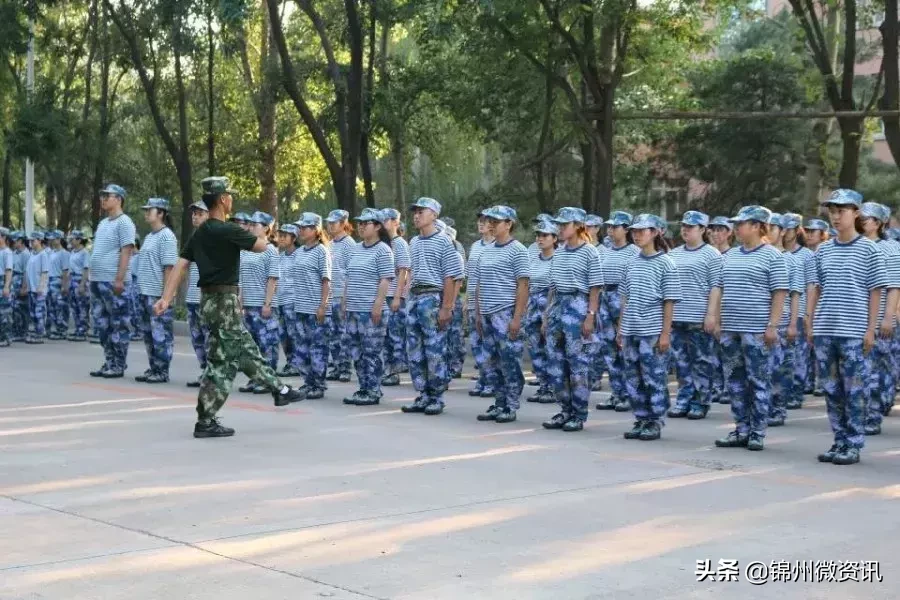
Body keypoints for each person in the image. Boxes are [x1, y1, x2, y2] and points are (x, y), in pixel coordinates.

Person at [154, 177, 304, 438]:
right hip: (225, 302)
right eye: (230, 195)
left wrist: (166, 298)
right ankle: (206, 420)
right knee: (224, 362)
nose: (232, 199)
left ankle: (279, 390)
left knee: (241, 349)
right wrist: (262, 234)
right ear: (223, 199)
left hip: (209, 302)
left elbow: (181, 265)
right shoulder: (227, 230)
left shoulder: (200, 233)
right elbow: (260, 246)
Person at [808, 190, 887, 465]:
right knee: (832, 390)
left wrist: (871, 329)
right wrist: (810, 322)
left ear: (856, 213)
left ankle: (853, 444)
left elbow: (876, 291)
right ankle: (839, 440)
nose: (836, 216)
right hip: (825, 329)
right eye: (832, 211)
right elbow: (816, 288)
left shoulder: (869, 249)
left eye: (841, 211)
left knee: (855, 390)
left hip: (854, 332)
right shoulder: (823, 250)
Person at [713, 205, 788, 452]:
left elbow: (779, 293)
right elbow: (719, 288)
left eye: (741, 224)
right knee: (735, 382)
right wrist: (716, 319)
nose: (736, 228)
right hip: (731, 329)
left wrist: (772, 325)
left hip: (756, 330)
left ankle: (757, 431)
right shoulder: (730, 256)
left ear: (757, 226)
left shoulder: (773, 256)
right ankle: (741, 428)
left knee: (758, 381)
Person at [618, 214, 681, 440]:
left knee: (654, 377)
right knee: (633, 378)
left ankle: (655, 420)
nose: (636, 235)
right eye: (634, 231)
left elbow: (669, 302)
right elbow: (624, 298)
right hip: (631, 329)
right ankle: (641, 418)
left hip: (652, 331)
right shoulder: (630, 262)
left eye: (642, 231)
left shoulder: (666, 263)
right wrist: (621, 329)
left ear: (655, 233)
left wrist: (665, 334)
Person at [542, 207, 603, 432]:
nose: (560, 228)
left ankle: (578, 413)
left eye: (564, 225)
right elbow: (553, 287)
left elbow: (595, 288)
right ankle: (564, 409)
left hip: (578, 307)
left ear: (578, 226)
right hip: (558, 307)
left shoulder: (589, 252)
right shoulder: (559, 252)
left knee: (577, 365)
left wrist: (590, 316)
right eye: (558, 225)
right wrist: (546, 316)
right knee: (556, 364)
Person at [401, 197, 464, 416]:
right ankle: (422, 394)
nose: (416, 216)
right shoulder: (414, 242)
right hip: (415, 298)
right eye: (415, 212)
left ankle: (436, 396)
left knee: (434, 349)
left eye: (421, 211)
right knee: (414, 349)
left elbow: (451, 276)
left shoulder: (444, 241)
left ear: (434, 215)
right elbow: (412, 273)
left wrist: (447, 307)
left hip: (432, 297)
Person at [474, 206, 529, 423]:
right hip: (487, 313)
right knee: (490, 361)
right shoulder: (486, 250)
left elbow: (523, 286)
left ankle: (511, 405)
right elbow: (479, 283)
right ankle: (499, 402)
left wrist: (517, 318)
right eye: (490, 221)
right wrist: (478, 313)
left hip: (505, 312)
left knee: (509, 362)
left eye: (496, 222)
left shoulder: (518, 250)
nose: (491, 225)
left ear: (509, 224)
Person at [667, 211, 722, 420]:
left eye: (690, 227)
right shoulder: (674, 254)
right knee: (681, 362)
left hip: (699, 317)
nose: (685, 230)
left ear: (702, 229)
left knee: (701, 362)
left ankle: (700, 401)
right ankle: (683, 400)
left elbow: (716, 287)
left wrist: (711, 315)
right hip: (677, 316)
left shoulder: (712, 254)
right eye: (684, 226)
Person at [342, 208, 395, 406]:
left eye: (366, 223)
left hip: (371, 310)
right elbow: (349, 277)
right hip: (353, 309)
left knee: (371, 352)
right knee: (356, 351)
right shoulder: (356, 248)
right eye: (360, 223)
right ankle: (363, 388)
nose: (361, 226)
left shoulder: (383, 250)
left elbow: (385, 279)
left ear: (378, 226)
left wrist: (378, 305)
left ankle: (373, 390)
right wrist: (345, 301)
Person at [857, 202, 900, 435]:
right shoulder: (855, 245)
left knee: (876, 370)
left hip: (881, 318)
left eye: (866, 218)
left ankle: (873, 415)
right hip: (856, 318)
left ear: (879, 223)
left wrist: (888, 318)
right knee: (858, 371)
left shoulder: (890, 248)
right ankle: (859, 414)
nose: (861, 221)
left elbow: (894, 287)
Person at [89, 184, 136, 378]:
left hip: (113, 282)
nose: (103, 199)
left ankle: (118, 364)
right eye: (103, 196)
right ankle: (109, 361)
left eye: (107, 196)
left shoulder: (125, 222)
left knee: (118, 323)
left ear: (118, 199)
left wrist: (119, 279)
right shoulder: (103, 223)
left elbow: (126, 251)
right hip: (97, 280)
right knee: (102, 324)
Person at [596, 211, 638, 411]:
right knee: (609, 349)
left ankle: (630, 394)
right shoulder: (605, 251)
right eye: (609, 227)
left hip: (623, 299)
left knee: (625, 349)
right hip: (605, 298)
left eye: (615, 227)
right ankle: (617, 393)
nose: (610, 230)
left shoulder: (634, 252)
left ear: (626, 229)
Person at [134, 198, 179, 384]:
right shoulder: (149, 236)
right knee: (148, 334)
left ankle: (162, 370)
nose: (146, 213)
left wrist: (166, 297)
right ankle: (153, 367)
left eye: (149, 210)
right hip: (145, 292)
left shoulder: (167, 236)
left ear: (160, 213)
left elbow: (170, 268)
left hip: (157, 294)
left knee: (161, 334)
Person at [238, 211, 281, 394]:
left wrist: (267, 303)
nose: (250, 227)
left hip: (263, 305)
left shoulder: (270, 250)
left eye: (254, 225)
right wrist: (240, 300)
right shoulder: (245, 249)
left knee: (267, 344)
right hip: (248, 305)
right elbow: (241, 278)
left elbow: (273, 278)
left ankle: (267, 380)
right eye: (250, 224)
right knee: (252, 346)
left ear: (266, 228)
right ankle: (255, 378)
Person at [766, 214, 803, 428]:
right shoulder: (762, 255)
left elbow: (795, 294)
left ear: (782, 231)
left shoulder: (790, 259)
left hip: (782, 321)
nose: (768, 231)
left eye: (773, 228)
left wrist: (792, 324)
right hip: (759, 321)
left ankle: (777, 409)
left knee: (779, 368)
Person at [293, 212, 333, 399]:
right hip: (300, 308)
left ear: (316, 230)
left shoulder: (321, 251)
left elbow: (326, 281)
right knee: (302, 349)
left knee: (318, 349)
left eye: (305, 227)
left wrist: (323, 306)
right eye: (300, 227)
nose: (301, 230)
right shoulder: (299, 252)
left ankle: (318, 384)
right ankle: (308, 382)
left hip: (315, 309)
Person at [780, 214, 815, 410]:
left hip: (799, 311)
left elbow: (811, 285)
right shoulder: (776, 254)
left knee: (798, 355)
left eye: (789, 229)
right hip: (780, 312)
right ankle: (782, 392)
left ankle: (796, 392)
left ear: (796, 230)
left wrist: (809, 313)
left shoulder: (807, 255)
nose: (785, 233)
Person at [524, 219, 557, 404]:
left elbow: (555, 288)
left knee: (551, 349)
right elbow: (527, 284)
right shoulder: (534, 259)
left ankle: (553, 388)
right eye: (538, 235)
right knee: (535, 349)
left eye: (545, 235)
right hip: (533, 306)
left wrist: (547, 314)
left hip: (550, 307)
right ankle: (543, 385)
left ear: (554, 238)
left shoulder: (559, 259)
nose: (540, 239)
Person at [380, 208, 411, 387]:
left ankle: (396, 372)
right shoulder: (384, 243)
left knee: (396, 336)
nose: (383, 223)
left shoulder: (399, 243)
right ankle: (388, 370)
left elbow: (403, 271)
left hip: (394, 296)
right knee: (386, 336)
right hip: (384, 296)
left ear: (395, 222)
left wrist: (398, 296)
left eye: (386, 220)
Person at [466, 213, 496, 398]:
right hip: (473, 301)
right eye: (479, 221)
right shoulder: (476, 246)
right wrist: (467, 301)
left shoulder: (498, 246)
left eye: (485, 221)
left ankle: (492, 381)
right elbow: (471, 275)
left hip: (489, 301)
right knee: (476, 343)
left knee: (490, 344)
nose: (481, 224)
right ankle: (483, 378)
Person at [325, 210, 355, 383]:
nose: (330, 226)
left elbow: (351, 273)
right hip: (330, 296)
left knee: (344, 334)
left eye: (334, 223)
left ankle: (345, 368)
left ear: (343, 223)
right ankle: (336, 366)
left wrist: (346, 297)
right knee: (333, 334)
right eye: (329, 223)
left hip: (342, 296)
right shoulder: (329, 244)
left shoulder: (349, 244)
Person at [803, 217, 830, 396]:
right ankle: (811, 380)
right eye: (807, 231)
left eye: (813, 231)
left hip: (824, 307)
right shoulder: (808, 254)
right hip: (809, 305)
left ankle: (821, 381)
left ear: (823, 234)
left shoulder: (824, 252)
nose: (809, 234)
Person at [185, 201, 210, 387]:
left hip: (206, 298)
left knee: (209, 338)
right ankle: (205, 371)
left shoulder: (212, 239)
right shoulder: (195, 237)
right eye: (194, 213)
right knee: (197, 338)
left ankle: (212, 375)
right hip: (192, 297)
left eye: (200, 213)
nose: (195, 216)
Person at [274, 223, 302, 377]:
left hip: (294, 301)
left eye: (285, 236)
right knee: (283, 335)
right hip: (280, 301)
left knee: (294, 334)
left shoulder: (300, 255)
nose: (281, 239)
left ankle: (298, 364)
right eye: (280, 236)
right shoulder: (280, 257)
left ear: (294, 238)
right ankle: (291, 362)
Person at [23, 232, 50, 344]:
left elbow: (45, 272)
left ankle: (40, 334)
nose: (31, 243)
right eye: (30, 241)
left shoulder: (43, 255)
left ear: (39, 240)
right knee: (33, 312)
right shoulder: (32, 254)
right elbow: (27, 271)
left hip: (39, 290)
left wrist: (41, 286)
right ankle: (36, 331)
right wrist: (26, 286)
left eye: (33, 240)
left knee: (39, 312)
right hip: (31, 289)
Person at [44, 231, 70, 340]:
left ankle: (62, 330)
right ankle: (53, 329)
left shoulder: (64, 253)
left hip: (58, 280)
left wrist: (64, 285)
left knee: (60, 306)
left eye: (53, 239)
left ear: (59, 239)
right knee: (50, 307)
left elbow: (65, 271)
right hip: (49, 280)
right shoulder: (51, 252)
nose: (51, 241)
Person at [66, 231, 91, 342]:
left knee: (82, 307)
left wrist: (82, 284)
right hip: (72, 280)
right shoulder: (72, 252)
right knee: (74, 307)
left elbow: (86, 269)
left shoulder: (84, 253)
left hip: (80, 280)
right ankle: (77, 328)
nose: (71, 241)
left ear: (79, 240)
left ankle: (83, 330)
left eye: (73, 239)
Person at [11, 232, 29, 341]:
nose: (14, 242)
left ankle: (23, 332)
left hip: (21, 281)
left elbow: (26, 272)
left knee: (21, 309)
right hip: (14, 281)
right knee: (14, 309)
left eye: (16, 240)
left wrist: (24, 287)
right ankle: (16, 331)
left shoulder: (26, 254)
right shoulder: (14, 253)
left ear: (21, 241)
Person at [128, 236, 143, 341]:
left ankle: (140, 331)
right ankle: (136, 330)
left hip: (137, 284)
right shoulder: (131, 256)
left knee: (136, 308)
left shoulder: (139, 256)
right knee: (131, 309)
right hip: (130, 283)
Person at [0, 228, 12, 347]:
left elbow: (8, 270)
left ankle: (5, 337)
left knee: (4, 312)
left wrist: (6, 286)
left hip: (2, 281)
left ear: (3, 237)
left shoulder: (7, 252)